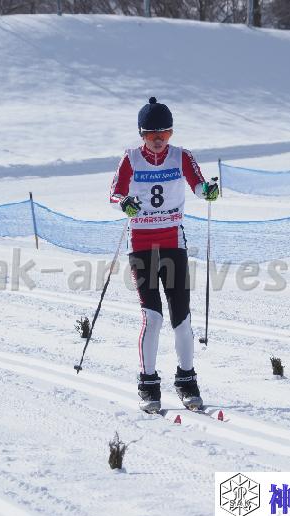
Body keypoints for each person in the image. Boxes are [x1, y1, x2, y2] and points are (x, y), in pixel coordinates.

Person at [109, 97, 219, 413]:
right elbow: (115, 191)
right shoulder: (131, 158)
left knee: (181, 317)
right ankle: (148, 383)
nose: (159, 141)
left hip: (172, 243)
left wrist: (208, 191)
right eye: (152, 135)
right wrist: (124, 202)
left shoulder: (181, 156)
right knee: (153, 317)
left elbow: (198, 185)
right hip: (142, 245)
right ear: (142, 135)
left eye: (165, 134)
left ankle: (187, 380)